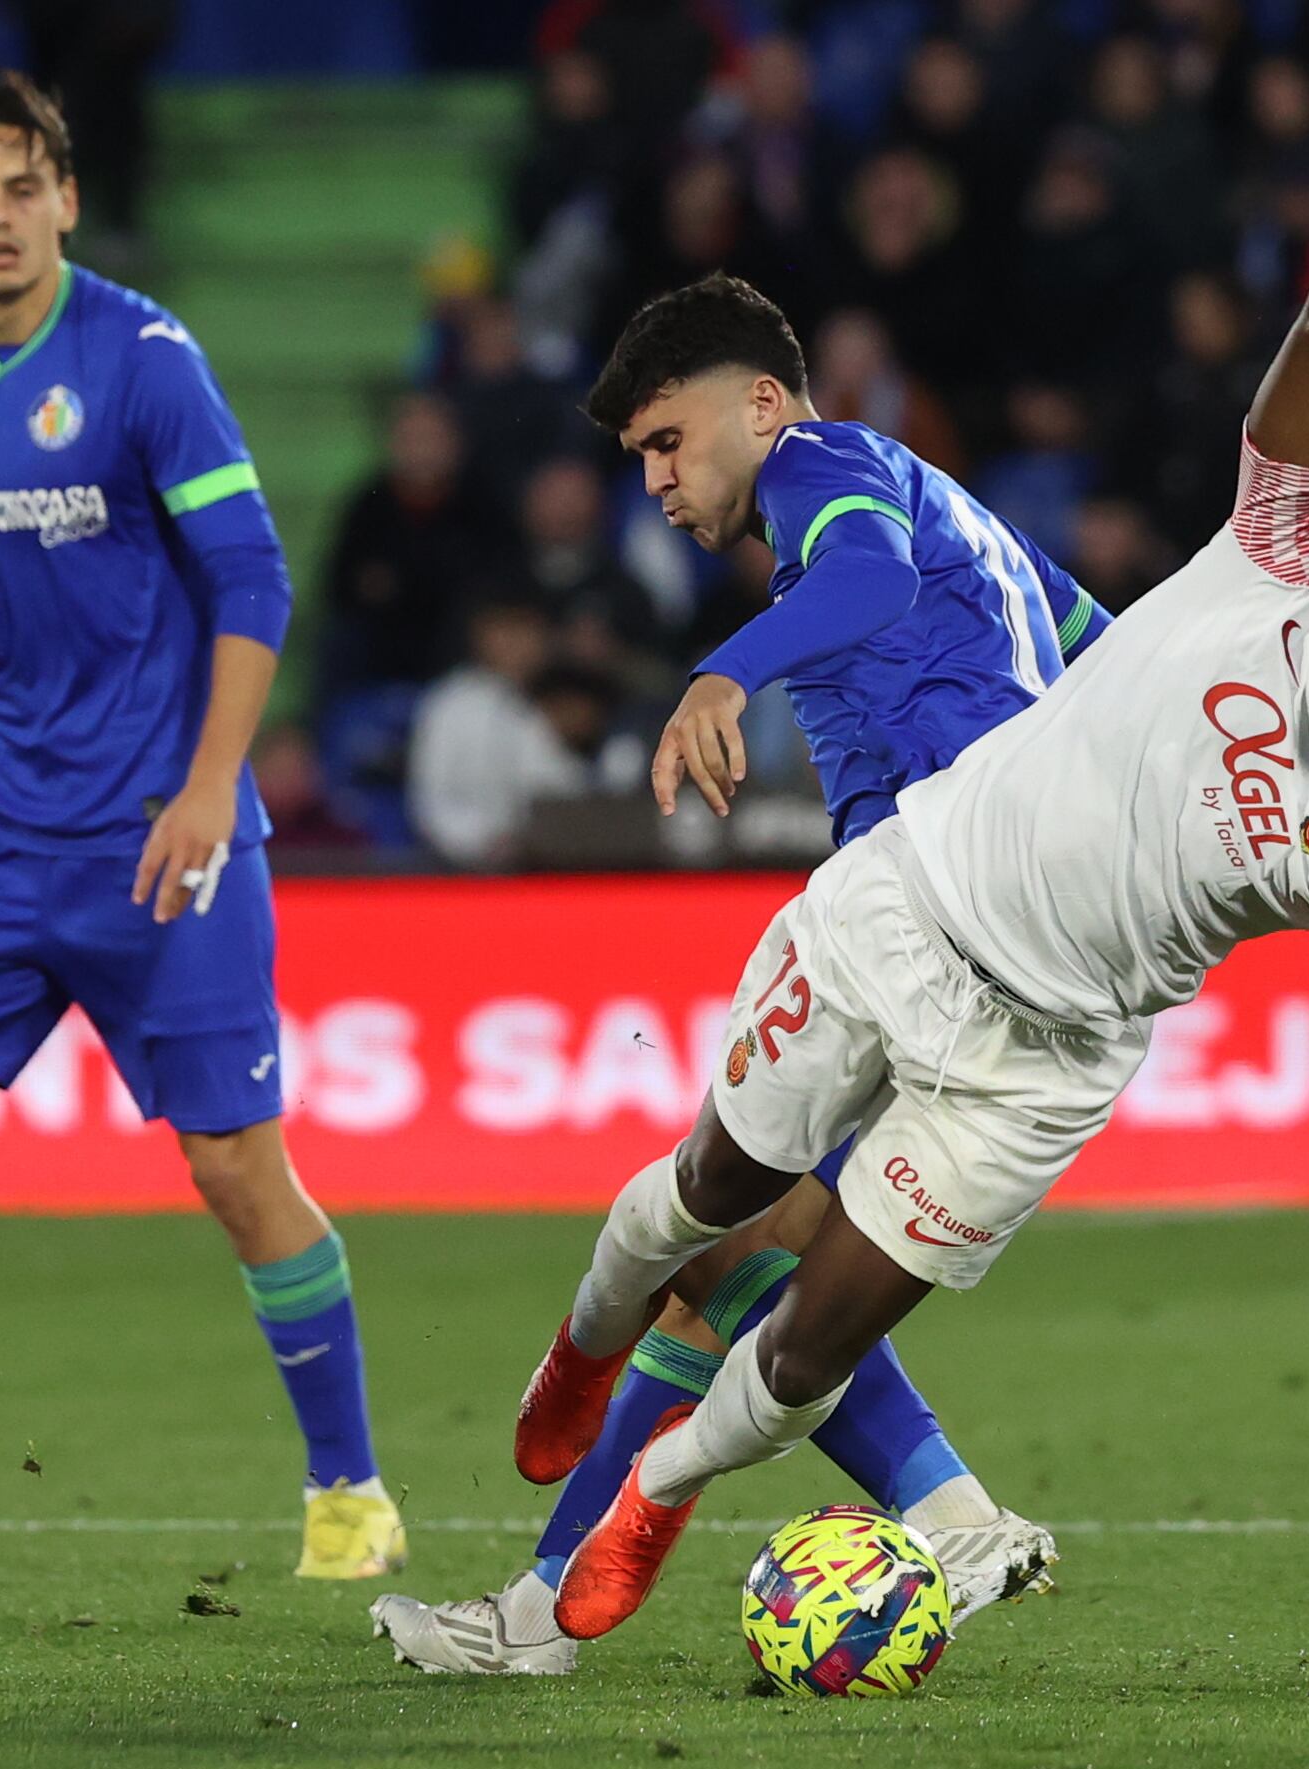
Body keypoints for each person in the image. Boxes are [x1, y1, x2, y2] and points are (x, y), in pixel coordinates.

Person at [519, 193, 1309, 1647]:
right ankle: (592, 1382)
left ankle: (639, 1516)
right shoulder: (1284, 544)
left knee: (793, 1330)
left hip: (1048, 1061)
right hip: (910, 905)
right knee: (710, 1208)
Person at [371, 272, 1111, 1673]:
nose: (653, 480)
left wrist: (721, 677)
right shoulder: (978, 532)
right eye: (636, 457)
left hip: (928, 911)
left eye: (667, 441)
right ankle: (950, 1518)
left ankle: (536, 1615)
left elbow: (865, 582)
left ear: (762, 404)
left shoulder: (830, 468)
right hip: (1027, 929)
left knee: (711, 1233)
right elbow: (1110, 666)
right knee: (733, 1267)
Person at [0, 75, 403, 1581]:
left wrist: (205, 789)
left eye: (20, 187)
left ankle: (349, 1487)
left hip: (164, 848)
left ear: (66, 201)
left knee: (238, 1172)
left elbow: (254, 580)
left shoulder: (142, 358)